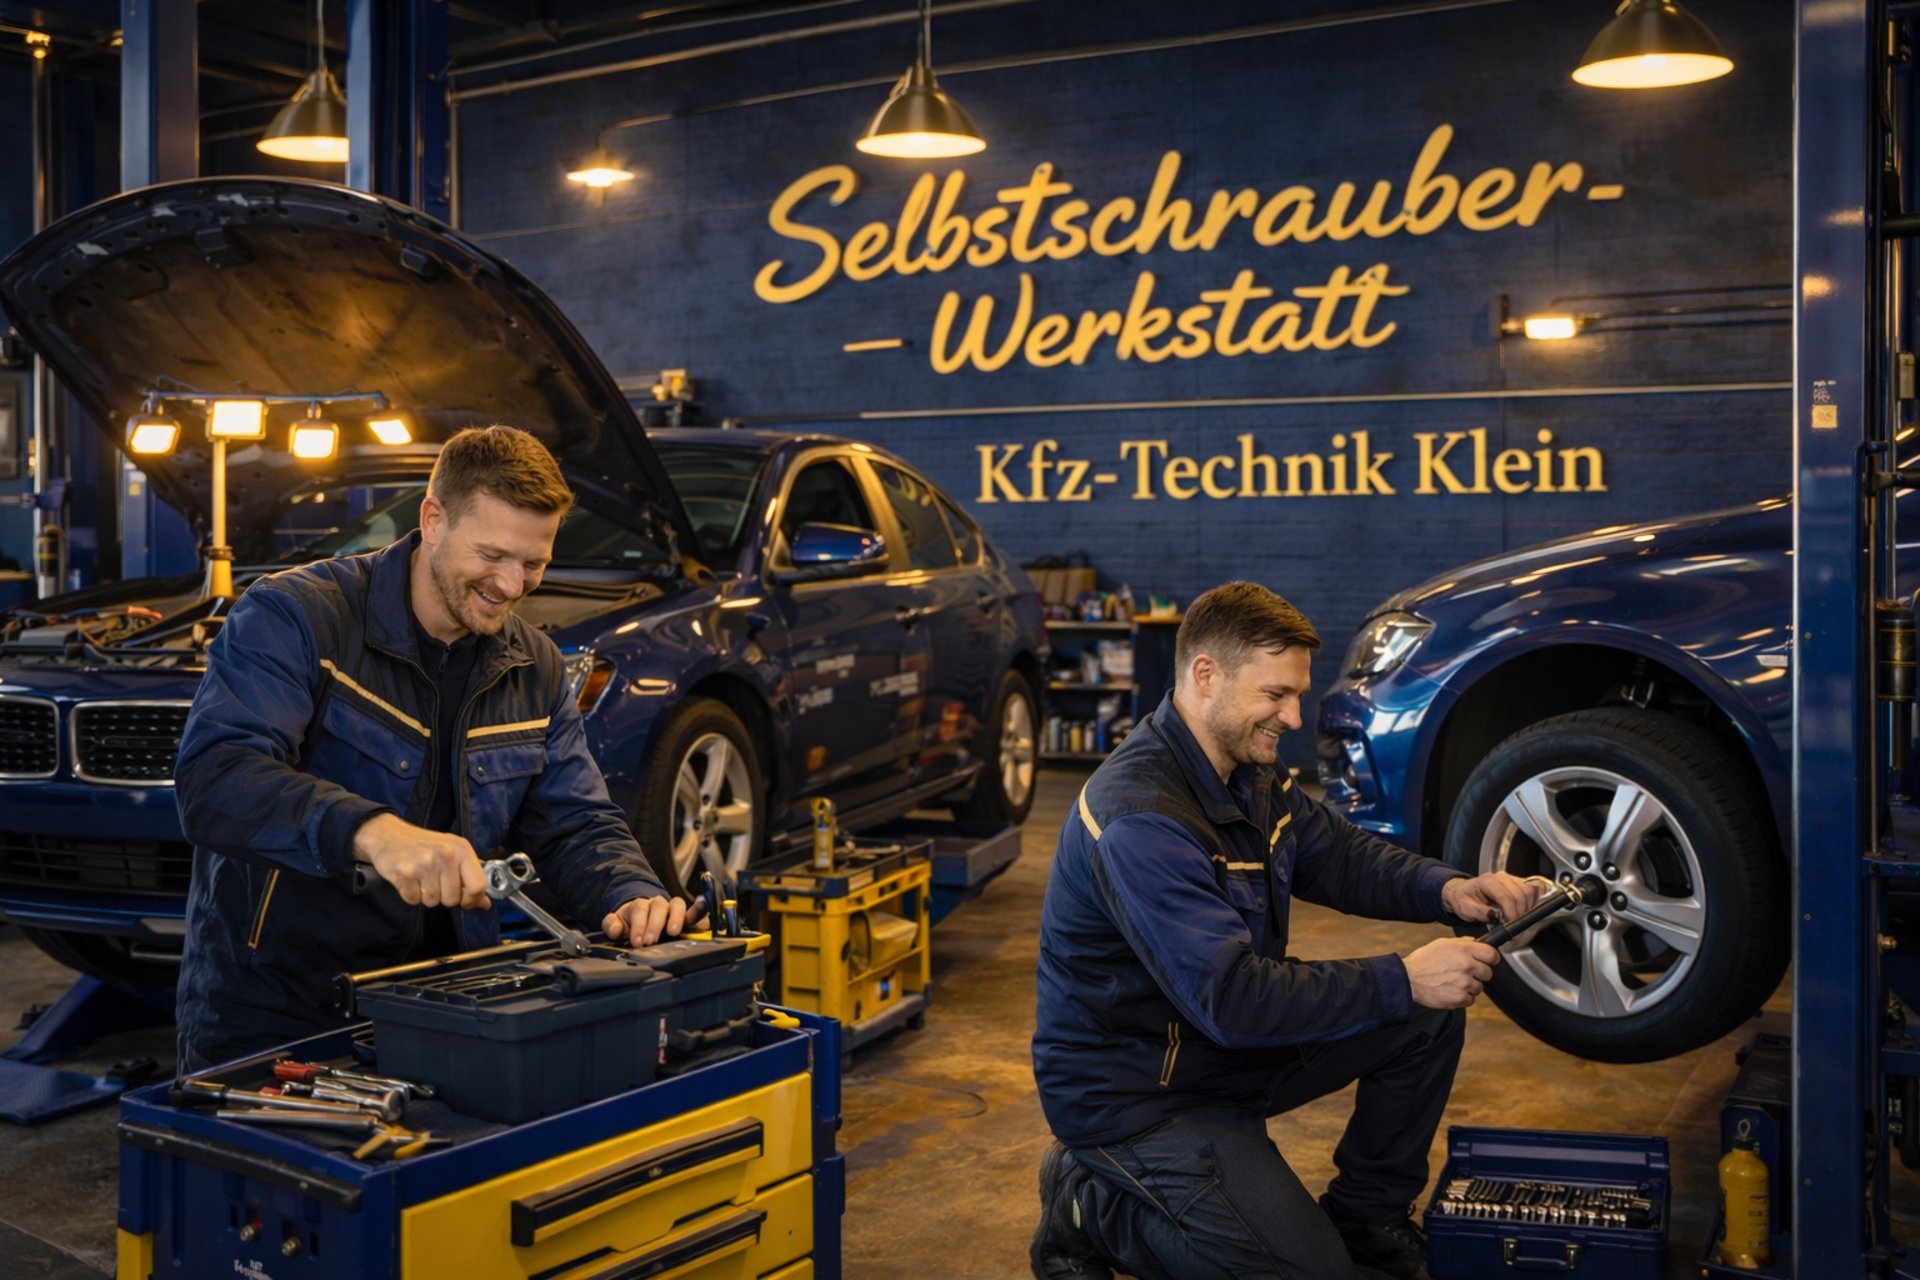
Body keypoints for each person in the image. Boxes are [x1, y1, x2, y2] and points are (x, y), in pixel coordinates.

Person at [1030, 581, 1536, 1280]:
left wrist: (1449, 888)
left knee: (1425, 1016)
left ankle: (1367, 1218)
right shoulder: (1141, 819)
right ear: (1206, 675)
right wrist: (1402, 975)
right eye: (1276, 695)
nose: (1294, 716)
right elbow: (1233, 998)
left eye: (1296, 695)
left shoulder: (1245, 771)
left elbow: (1340, 855)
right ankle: (1090, 1208)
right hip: (1140, 1092)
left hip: (1221, 1052)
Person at [173, 424, 696, 1071]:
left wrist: (630, 893)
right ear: (432, 519)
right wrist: (372, 832)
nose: (511, 585)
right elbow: (215, 779)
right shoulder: (298, 616)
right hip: (277, 1009)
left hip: (445, 1004)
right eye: (493, 556)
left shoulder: (532, 666)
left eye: (533, 563)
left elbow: (575, 821)